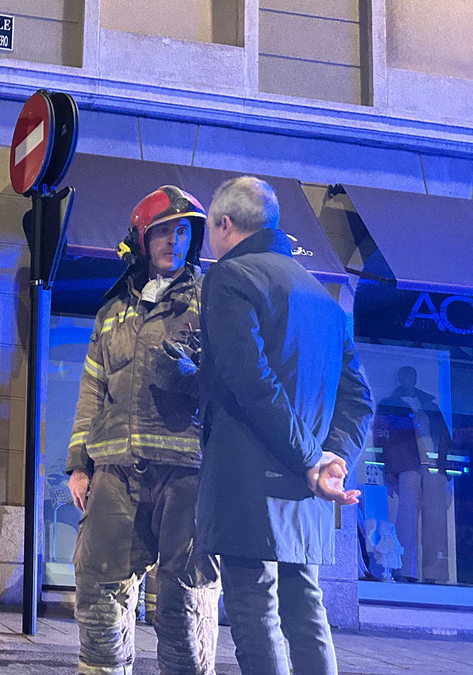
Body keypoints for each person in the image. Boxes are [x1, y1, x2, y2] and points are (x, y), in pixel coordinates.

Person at [196, 176, 374, 675]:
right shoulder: (322, 296)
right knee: (306, 615)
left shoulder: (230, 278)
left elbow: (253, 383)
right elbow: (359, 398)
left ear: (225, 224)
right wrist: (332, 458)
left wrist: (312, 458)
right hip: (307, 492)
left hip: (249, 485)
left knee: (256, 619)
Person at [67, 185, 221, 675]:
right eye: (163, 232)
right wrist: (78, 466)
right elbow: (91, 390)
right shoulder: (112, 312)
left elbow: (240, 379)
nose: (173, 241)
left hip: (187, 472)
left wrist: (199, 378)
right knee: (98, 586)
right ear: (141, 238)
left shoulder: (211, 302)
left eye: (182, 232)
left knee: (183, 597)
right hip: (115, 471)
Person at [373, 366, 453, 583]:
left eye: (412, 375)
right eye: (405, 375)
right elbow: (380, 440)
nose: (409, 378)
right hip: (406, 468)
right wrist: (387, 469)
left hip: (433, 469)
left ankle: (434, 573)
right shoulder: (390, 405)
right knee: (406, 521)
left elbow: (445, 438)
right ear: (400, 378)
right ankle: (405, 571)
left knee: (435, 523)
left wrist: (447, 468)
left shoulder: (431, 406)